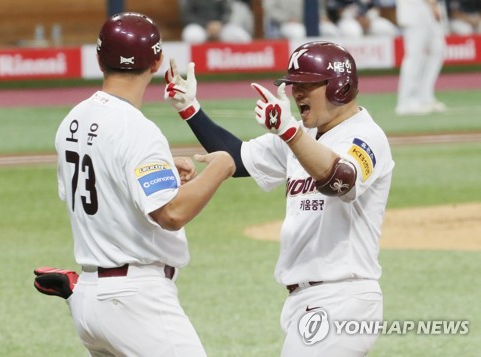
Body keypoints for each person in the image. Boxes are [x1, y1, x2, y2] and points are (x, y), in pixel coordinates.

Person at [164, 41, 395, 356]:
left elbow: (340, 181)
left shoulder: (365, 136)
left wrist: (289, 132)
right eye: (294, 85)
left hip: (342, 297)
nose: (296, 92)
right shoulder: (304, 136)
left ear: (339, 86)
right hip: (307, 301)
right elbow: (238, 158)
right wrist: (190, 109)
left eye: (307, 84)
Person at [50, 12, 235, 356]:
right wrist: (222, 164)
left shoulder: (72, 120)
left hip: (91, 298)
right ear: (157, 61)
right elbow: (171, 213)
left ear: (99, 60)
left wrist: (161, 168)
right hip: (135, 301)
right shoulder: (136, 128)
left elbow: (104, 185)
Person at [395, 0, 447, 115]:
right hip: (414, 8)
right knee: (414, 55)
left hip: (427, 10)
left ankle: (425, 97)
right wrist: (432, 3)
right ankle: (406, 102)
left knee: (438, 49)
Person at [179, 0, 252, 43]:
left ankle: (242, 65)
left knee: (240, 37)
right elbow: (187, 15)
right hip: (200, 27)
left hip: (220, 27)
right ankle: (194, 63)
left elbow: (227, 11)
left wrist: (220, 24)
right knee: (192, 36)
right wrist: (206, 25)